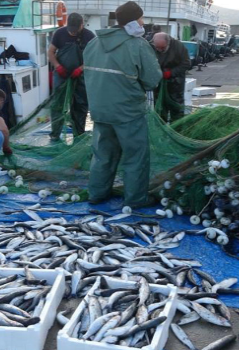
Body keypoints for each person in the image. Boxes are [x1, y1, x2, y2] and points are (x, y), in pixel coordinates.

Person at [83, 1, 162, 208]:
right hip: (128, 112)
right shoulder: (137, 45)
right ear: (135, 21)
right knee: (135, 156)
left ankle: (97, 193)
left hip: (100, 111)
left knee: (103, 155)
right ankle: (136, 199)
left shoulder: (93, 43)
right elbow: (152, 80)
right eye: (141, 19)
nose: (143, 23)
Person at [47, 12, 95, 140]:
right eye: (70, 30)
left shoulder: (89, 36)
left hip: (80, 76)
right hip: (61, 74)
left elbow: (94, 57)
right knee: (58, 103)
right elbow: (51, 52)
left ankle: (78, 133)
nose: (72, 33)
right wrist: (57, 66)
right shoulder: (59, 33)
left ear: (82, 25)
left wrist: (81, 68)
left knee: (80, 104)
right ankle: (55, 134)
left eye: (75, 30)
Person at [152, 32, 191, 121]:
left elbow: (186, 63)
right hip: (159, 83)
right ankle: (161, 129)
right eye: (157, 47)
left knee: (177, 109)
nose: (159, 50)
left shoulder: (179, 46)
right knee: (160, 109)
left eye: (162, 48)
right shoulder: (150, 46)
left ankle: (177, 130)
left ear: (168, 43)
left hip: (175, 83)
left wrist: (171, 73)